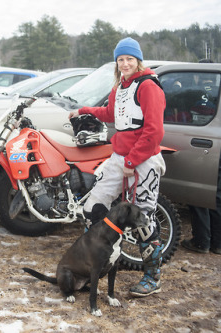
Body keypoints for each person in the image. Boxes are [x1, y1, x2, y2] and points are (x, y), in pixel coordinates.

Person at [68, 37, 167, 297]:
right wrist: (84, 111)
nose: (124, 63)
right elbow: (112, 113)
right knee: (93, 208)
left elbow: (154, 131)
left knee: (143, 220)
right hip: (119, 158)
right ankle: (97, 264)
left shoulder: (148, 86)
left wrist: (132, 162)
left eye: (129, 59)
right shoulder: (121, 86)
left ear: (138, 60)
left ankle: (152, 278)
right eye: (120, 59)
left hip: (143, 161)